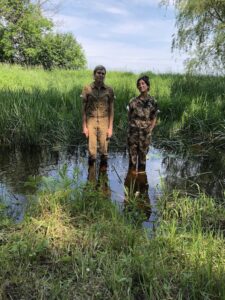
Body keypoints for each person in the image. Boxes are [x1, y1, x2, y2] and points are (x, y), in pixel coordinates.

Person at [81, 65, 115, 166]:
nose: (100, 75)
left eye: (103, 73)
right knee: (92, 153)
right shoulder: (87, 88)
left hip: (104, 121)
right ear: (94, 74)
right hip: (90, 121)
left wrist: (110, 128)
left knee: (104, 152)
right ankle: (91, 178)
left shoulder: (109, 90)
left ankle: (103, 178)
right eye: (98, 73)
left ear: (105, 76)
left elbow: (111, 109)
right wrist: (84, 127)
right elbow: (83, 109)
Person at [127, 75, 159, 173]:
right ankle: (131, 182)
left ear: (147, 86)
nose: (141, 86)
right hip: (133, 134)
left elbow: (154, 117)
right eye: (139, 84)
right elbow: (128, 117)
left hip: (145, 135)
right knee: (132, 160)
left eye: (143, 83)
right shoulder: (133, 101)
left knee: (142, 160)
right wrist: (131, 130)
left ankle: (142, 183)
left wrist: (150, 130)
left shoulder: (153, 101)